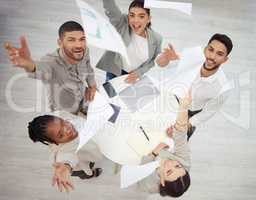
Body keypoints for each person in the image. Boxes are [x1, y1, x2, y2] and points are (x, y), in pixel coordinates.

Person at [4, 21, 97, 114]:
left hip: (85, 101)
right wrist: (29, 64)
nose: (79, 45)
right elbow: (39, 69)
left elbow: (88, 68)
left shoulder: (84, 51)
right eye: (71, 40)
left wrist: (92, 85)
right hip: (66, 114)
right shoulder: (50, 62)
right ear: (60, 43)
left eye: (82, 39)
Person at [159, 33, 233, 140]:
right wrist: (166, 59)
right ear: (205, 49)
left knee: (175, 146)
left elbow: (208, 112)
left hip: (190, 114)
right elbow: (161, 65)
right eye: (210, 50)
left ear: (225, 59)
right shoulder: (191, 57)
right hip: (172, 100)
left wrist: (182, 125)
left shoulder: (223, 88)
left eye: (219, 54)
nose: (212, 56)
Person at [96, 0, 178, 83]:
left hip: (135, 76)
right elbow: (111, 8)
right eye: (132, 15)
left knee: (131, 96)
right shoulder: (122, 24)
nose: (136, 20)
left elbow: (154, 62)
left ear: (149, 19)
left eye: (141, 16)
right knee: (109, 95)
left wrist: (167, 59)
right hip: (115, 71)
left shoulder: (156, 38)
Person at [28, 111, 103, 192]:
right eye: (60, 135)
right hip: (76, 167)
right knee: (85, 172)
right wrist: (66, 166)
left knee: (89, 161)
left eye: (64, 123)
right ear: (55, 142)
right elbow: (67, 158)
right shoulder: (65, 151)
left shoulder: (65, 118)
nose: (67, 129)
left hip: (88, 153)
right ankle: (90, 175)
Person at [137, 91, 192, 197]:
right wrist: (174, 136)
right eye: (177, 166)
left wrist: (154, 153)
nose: (171, 163)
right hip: (154, 136)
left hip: (140, 150)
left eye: (169, 171)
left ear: (162, 181)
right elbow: (181, 136)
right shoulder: (185, 163)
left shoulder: (148, 184)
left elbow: (140, 167)